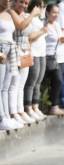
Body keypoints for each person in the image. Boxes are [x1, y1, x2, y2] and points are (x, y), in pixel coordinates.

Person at [8, 0, 41, 124]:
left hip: (25, 52)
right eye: (21, 2)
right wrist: (32, 14)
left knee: (21, 85)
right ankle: (13, 112)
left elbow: (28, 35)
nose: (24, 5)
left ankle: (20, 110)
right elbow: (20, 26)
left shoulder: (24, 15)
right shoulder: (11, 11)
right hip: (14, 52)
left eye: (26, 3)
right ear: (14, 2)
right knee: (14, 85)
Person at [0, 0, 23, 130]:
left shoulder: (9, 14)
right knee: (0, 86)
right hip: (1, 51)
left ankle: (7, 117)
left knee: (6, 86)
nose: (9, 1)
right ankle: (2, 118)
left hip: (11, 50)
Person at [24, 0, 47, 121]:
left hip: (42, 53)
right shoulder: (29, 17)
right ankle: (27, 108)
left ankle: (35, 107)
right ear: (36, 7)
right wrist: (42, 31)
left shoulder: (40, 19)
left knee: (38, 82)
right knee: (31, 82)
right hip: (33, 53)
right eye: (41, 6)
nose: (43, 9)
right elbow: (30, 37)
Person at [44, 3, 64, 116]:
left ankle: (54, 106)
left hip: (59, 57)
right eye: (53, 12)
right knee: (55, 81)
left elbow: (60, 39)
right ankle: (50, 106)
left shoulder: (57, 24)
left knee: (57, 82)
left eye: (57, 12)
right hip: (49, 57)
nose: (56, 15)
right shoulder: (44, 24)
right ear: (47, 12)